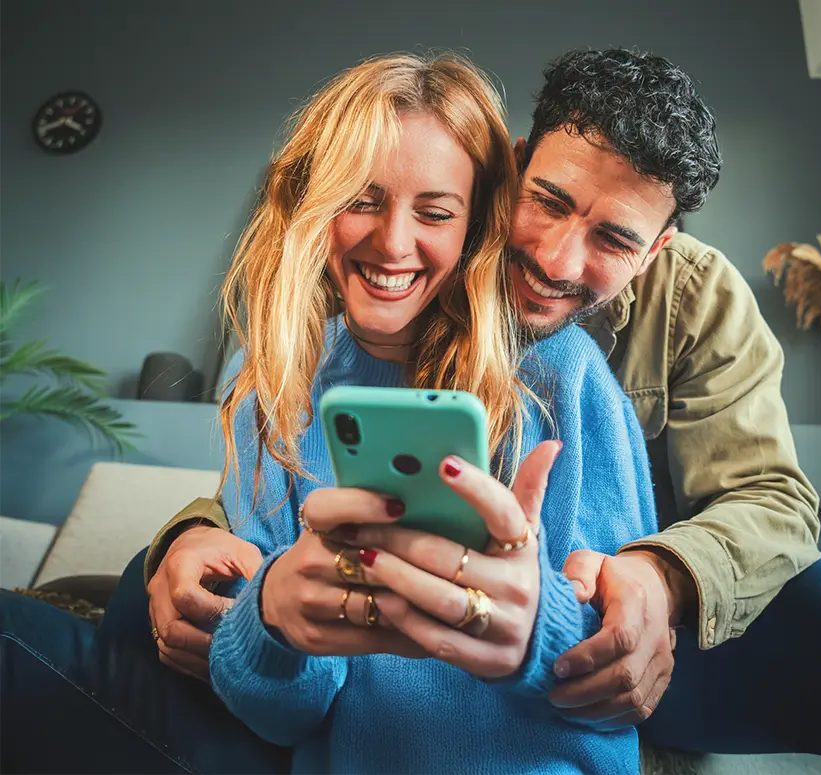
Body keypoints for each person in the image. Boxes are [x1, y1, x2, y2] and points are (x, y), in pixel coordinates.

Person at [3, 47, 821, 775]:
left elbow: (772, 499)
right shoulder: (345, 319)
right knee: (140, 596)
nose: (557, 259)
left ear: (658, 248)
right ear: (509, 168)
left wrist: (655, 578)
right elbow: (285, 482)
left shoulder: (656, 326)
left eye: (613, 238)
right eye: (546, 202)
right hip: (381, 672)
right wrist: (202, 549)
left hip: (646, 629)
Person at [1, 51, 659, 775]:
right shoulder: (274, 382)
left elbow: (628, 679)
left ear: (476, 225)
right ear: (313, 204)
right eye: (362, 200)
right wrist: (273, 620)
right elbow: (284, 715)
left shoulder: (563, 375)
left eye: (436, 212)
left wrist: (535, 627)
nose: (393, 243)